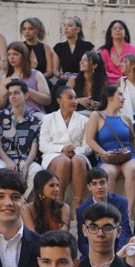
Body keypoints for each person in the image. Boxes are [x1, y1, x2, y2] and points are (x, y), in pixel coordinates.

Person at [84, 84, 135, 223]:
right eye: (120, 94)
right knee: (107, 174)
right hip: (107, 156)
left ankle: (128, 213)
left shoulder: (125, 118)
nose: (123, 98)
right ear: (109, 97)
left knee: (132, 170)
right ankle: (111, 212)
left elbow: (133, 140)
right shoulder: (96, 115)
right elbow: (90, 139)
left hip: (127, 155)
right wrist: (103, 153)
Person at [39, 86, 89, 214]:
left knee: (77, 160)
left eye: (75, 98)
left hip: (77, 154)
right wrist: (61, 149)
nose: (74, 101)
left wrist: (75, 151)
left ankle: (79, 206)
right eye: (70, 98)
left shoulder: (84, 120)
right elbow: (43, 145)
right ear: (59, 100)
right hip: (54, 155)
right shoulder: (48, 118)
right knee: (64, 161)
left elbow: (88, 147)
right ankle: (57, 203)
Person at [0, 79, 41, 196]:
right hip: (5, 158)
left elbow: (34, 149)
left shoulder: (35, 121)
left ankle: (22, 202)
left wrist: (26, 166)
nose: (13, 96)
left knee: (37, 171)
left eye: (17, 93)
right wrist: (8, 162)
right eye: (10, 94)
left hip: (26, 159)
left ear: (26, 95)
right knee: (0, 171)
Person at [73, 202, 133, 267]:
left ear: (118, 232)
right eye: (93, 227)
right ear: (84, 230)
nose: (100, 234)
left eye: (107, 228)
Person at [75, 168, 130, 258]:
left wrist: (116, 255)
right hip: (92, 253)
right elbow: (82, 241)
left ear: (108, 184)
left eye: (102, 182)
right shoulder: (82, 209)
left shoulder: (121, 202)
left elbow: (125, 230)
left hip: (116, 250)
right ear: (89, 187)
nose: (99, 187)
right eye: (94, 184)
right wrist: (97, 256)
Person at [0, 42, 50, 116]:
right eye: (9, 54)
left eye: (15, 54)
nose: (11, 57)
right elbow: (0, 106)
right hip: (12, 114)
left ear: (23, 56)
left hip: (34, 113)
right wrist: (5, 92)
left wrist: (24, 88)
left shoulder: (36, 74)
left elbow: (47, 100)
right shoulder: (4, 78)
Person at [22, 170, 70, 234]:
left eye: (57, 185)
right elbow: (32, 235)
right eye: (52, 185)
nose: (57, 189)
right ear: (40, 188)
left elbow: (65, 231)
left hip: (58, 242)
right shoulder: (27, 209)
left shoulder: (63, 207)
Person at [53, 16, 93, 82]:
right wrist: (60, 76)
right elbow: (55, 70)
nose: (66, 28)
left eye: (70, 25)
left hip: (83, 80)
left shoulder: (88, 46)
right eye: (64, 25)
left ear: (78, 29)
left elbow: (92, 66)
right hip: (65, 80)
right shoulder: (58, 47)